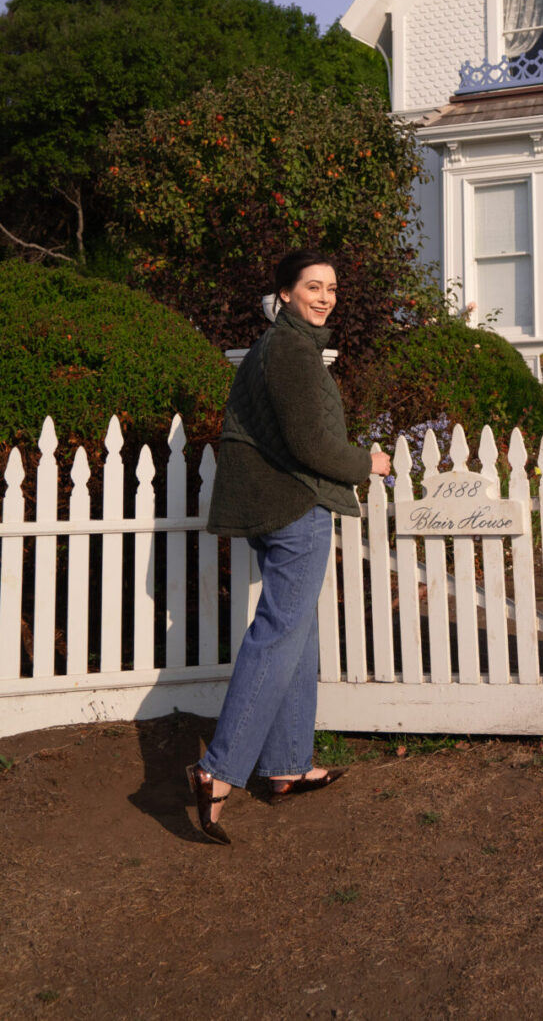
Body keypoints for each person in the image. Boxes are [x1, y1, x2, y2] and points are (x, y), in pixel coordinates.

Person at [186, 248, 392, 844]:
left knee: (297, 632)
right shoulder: (292, 351)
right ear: (285, 294)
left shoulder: (277, 346)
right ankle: (216, 770)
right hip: (295, 506)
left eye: (331, 287)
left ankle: (286, 763)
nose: (324, 297)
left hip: (275, 505)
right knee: (280, 633)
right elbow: (312, 444)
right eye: (312, 287)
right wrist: (366, 462)